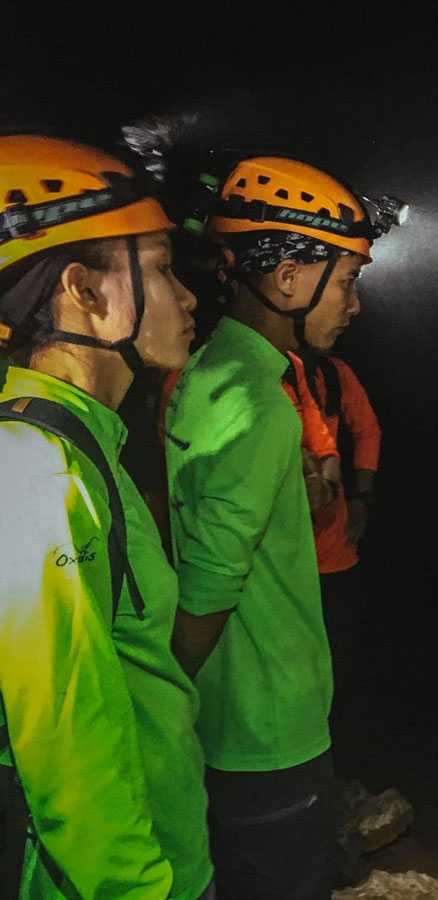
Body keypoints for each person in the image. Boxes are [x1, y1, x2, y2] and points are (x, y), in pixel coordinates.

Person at [164, 156, 394, 899]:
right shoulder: (262, 405)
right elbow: (210, 581)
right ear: (290, 277)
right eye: (348, 279)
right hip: (267, 727)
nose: (353, 305)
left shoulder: (202, 374)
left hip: (221, 718)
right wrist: (164, 698)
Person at [0, 135, 212, 899]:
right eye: (157, 267)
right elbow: (68, 747)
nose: (187, 298)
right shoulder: (35, 471)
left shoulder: (81, 444)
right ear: (83, 291)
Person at [281, 350, 381, 769]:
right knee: (293, 682)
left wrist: (361, 497)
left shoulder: (331, 374)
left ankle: (341, 775)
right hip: (282, 566)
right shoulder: (253, 377)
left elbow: (367, 431)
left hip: (334, 554)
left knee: (341, 676)